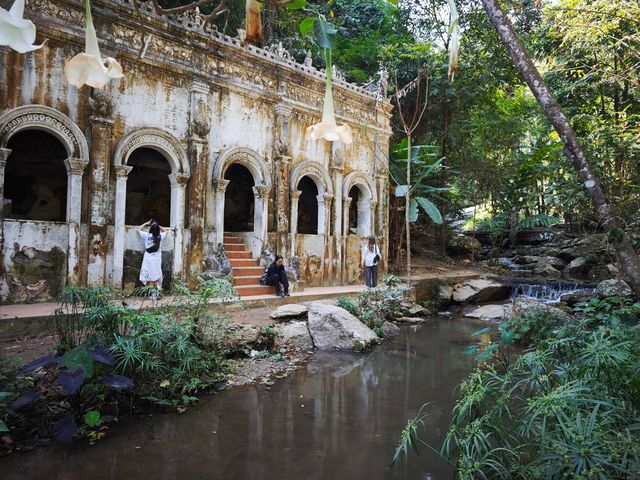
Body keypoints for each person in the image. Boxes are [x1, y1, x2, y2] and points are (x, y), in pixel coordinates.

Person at [137, 219, 171, 301]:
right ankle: (156, 294)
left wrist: (146, 223)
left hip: (148, 258)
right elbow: (166, 230)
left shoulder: (146, 235)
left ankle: (152, 295)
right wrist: (157, 225)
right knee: (156, 275)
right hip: (157, 258)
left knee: (149, 276)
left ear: (151, 229)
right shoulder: (160, 236)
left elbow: (138, 229)